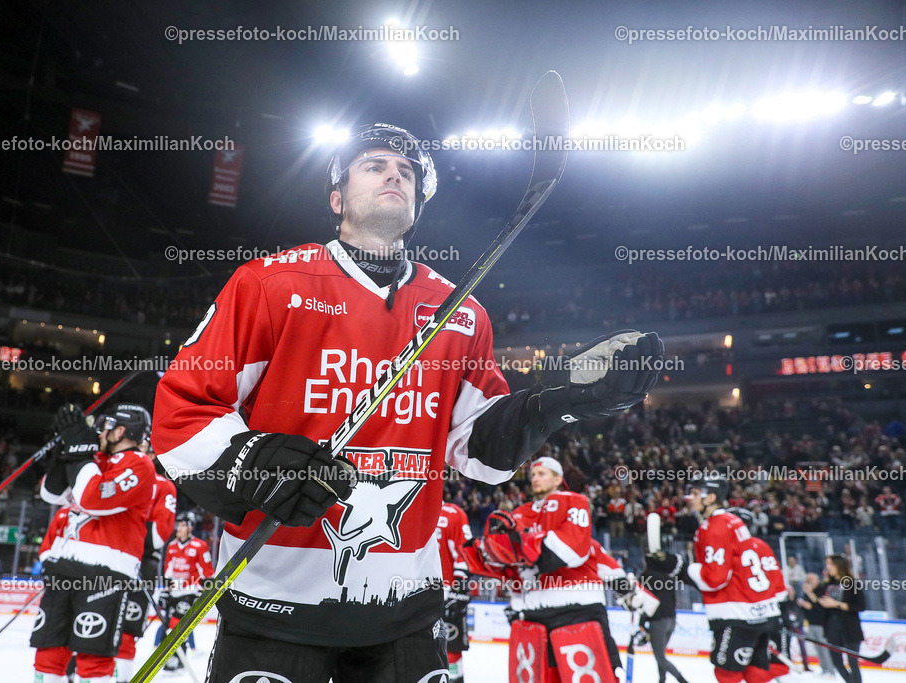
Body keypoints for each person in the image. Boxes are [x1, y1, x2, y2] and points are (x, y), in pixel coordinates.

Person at [152, 121, 665, 681]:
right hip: (271, 600)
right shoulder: (270, 284)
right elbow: (183, 411)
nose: (395, 174)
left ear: (418, 203)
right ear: (336, 196)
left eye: (407, 172)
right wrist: (255, 465)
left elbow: (479, 454)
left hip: (407, 615)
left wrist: (553, 402)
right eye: (374, 165)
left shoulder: (460, 311)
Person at [463, 457, 658, 683]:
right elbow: (510, 571)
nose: (535, 478)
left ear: (558, 479)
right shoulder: (519, 514)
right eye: (533, 474)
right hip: (532, 616)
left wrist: (633, 594)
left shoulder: (572, 503)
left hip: (577, 613)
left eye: (542, 474)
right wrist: (493, 558)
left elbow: (573, 551)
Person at [30, 404, 155, 683]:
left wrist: (81, 450)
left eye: (107, 425)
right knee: (49, 647)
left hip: (106, 573)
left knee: (93, 654)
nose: (101, 430)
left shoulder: (139, 464)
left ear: (121, 430)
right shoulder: (95, 458)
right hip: (67, 564)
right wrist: (69, 449)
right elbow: (51, 494)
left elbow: (92, 498)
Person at [646, 481, 788, 683]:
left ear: (711, 498)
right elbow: (777, 584)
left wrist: (676, 566)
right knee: (758, 674)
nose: (689, 498)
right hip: (766, 613)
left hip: (736, 615)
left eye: (695, 493)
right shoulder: (749, 536)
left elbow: (714, 579)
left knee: (727, 674)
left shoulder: (715, 527)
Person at [116, 458, 177, 683]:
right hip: (109, 560)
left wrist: (122, 528)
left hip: (141, 563)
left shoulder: (163, 486)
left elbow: (157, 536)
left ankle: (121, 679)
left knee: (127, 629)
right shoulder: (116, 474)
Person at [156, 510, 214, 671]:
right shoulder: (172, 545)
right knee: (168, 624)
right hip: (174, 592)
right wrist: (166, 591)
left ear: (190, 527)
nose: (179, 528)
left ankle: (176, 657)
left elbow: (208, 573)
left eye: (182, 525)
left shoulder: (199, 546)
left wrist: (202, 594)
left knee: (177, 624)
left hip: (190, 592)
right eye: (178, 525)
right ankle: (174, 657)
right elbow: (168, 571)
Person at [639, 548, 691, 683]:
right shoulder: (668, 577)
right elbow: (673, 599)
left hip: (658, 621)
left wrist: (642, 624)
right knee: (661, 656)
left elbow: (644, 602)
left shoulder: (645, 577)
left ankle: (683, 681)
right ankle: (662, 680)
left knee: (660, 657)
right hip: (671, 620)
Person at [810, 555, 864, 683]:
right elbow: (820, 606)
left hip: (850, 627)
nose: (827, 567)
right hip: (831, 627)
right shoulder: (827, 584)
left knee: (852, 661)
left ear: (839, 565)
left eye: (830, 564)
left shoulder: (852, 582)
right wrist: (811, 595)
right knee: (837, 662)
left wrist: (836, 604)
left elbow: (860, 606)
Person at [437, 494, 472, 682]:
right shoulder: (407, 512)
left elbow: (465, 553)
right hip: (410, 594)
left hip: (446, 594)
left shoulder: (453, 514)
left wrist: (460, 589)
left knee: (451, 647)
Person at [797, 572, 837, 679]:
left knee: (824, 648)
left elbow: (820, 606)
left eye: (811, 580)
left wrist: (810, 598)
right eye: (808, 580)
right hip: (811, 623)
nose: (809, 582)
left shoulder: (821, 589)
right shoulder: (806, 592)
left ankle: (830, 670)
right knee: (817, 648)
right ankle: (824, 668)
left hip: (822, 624)